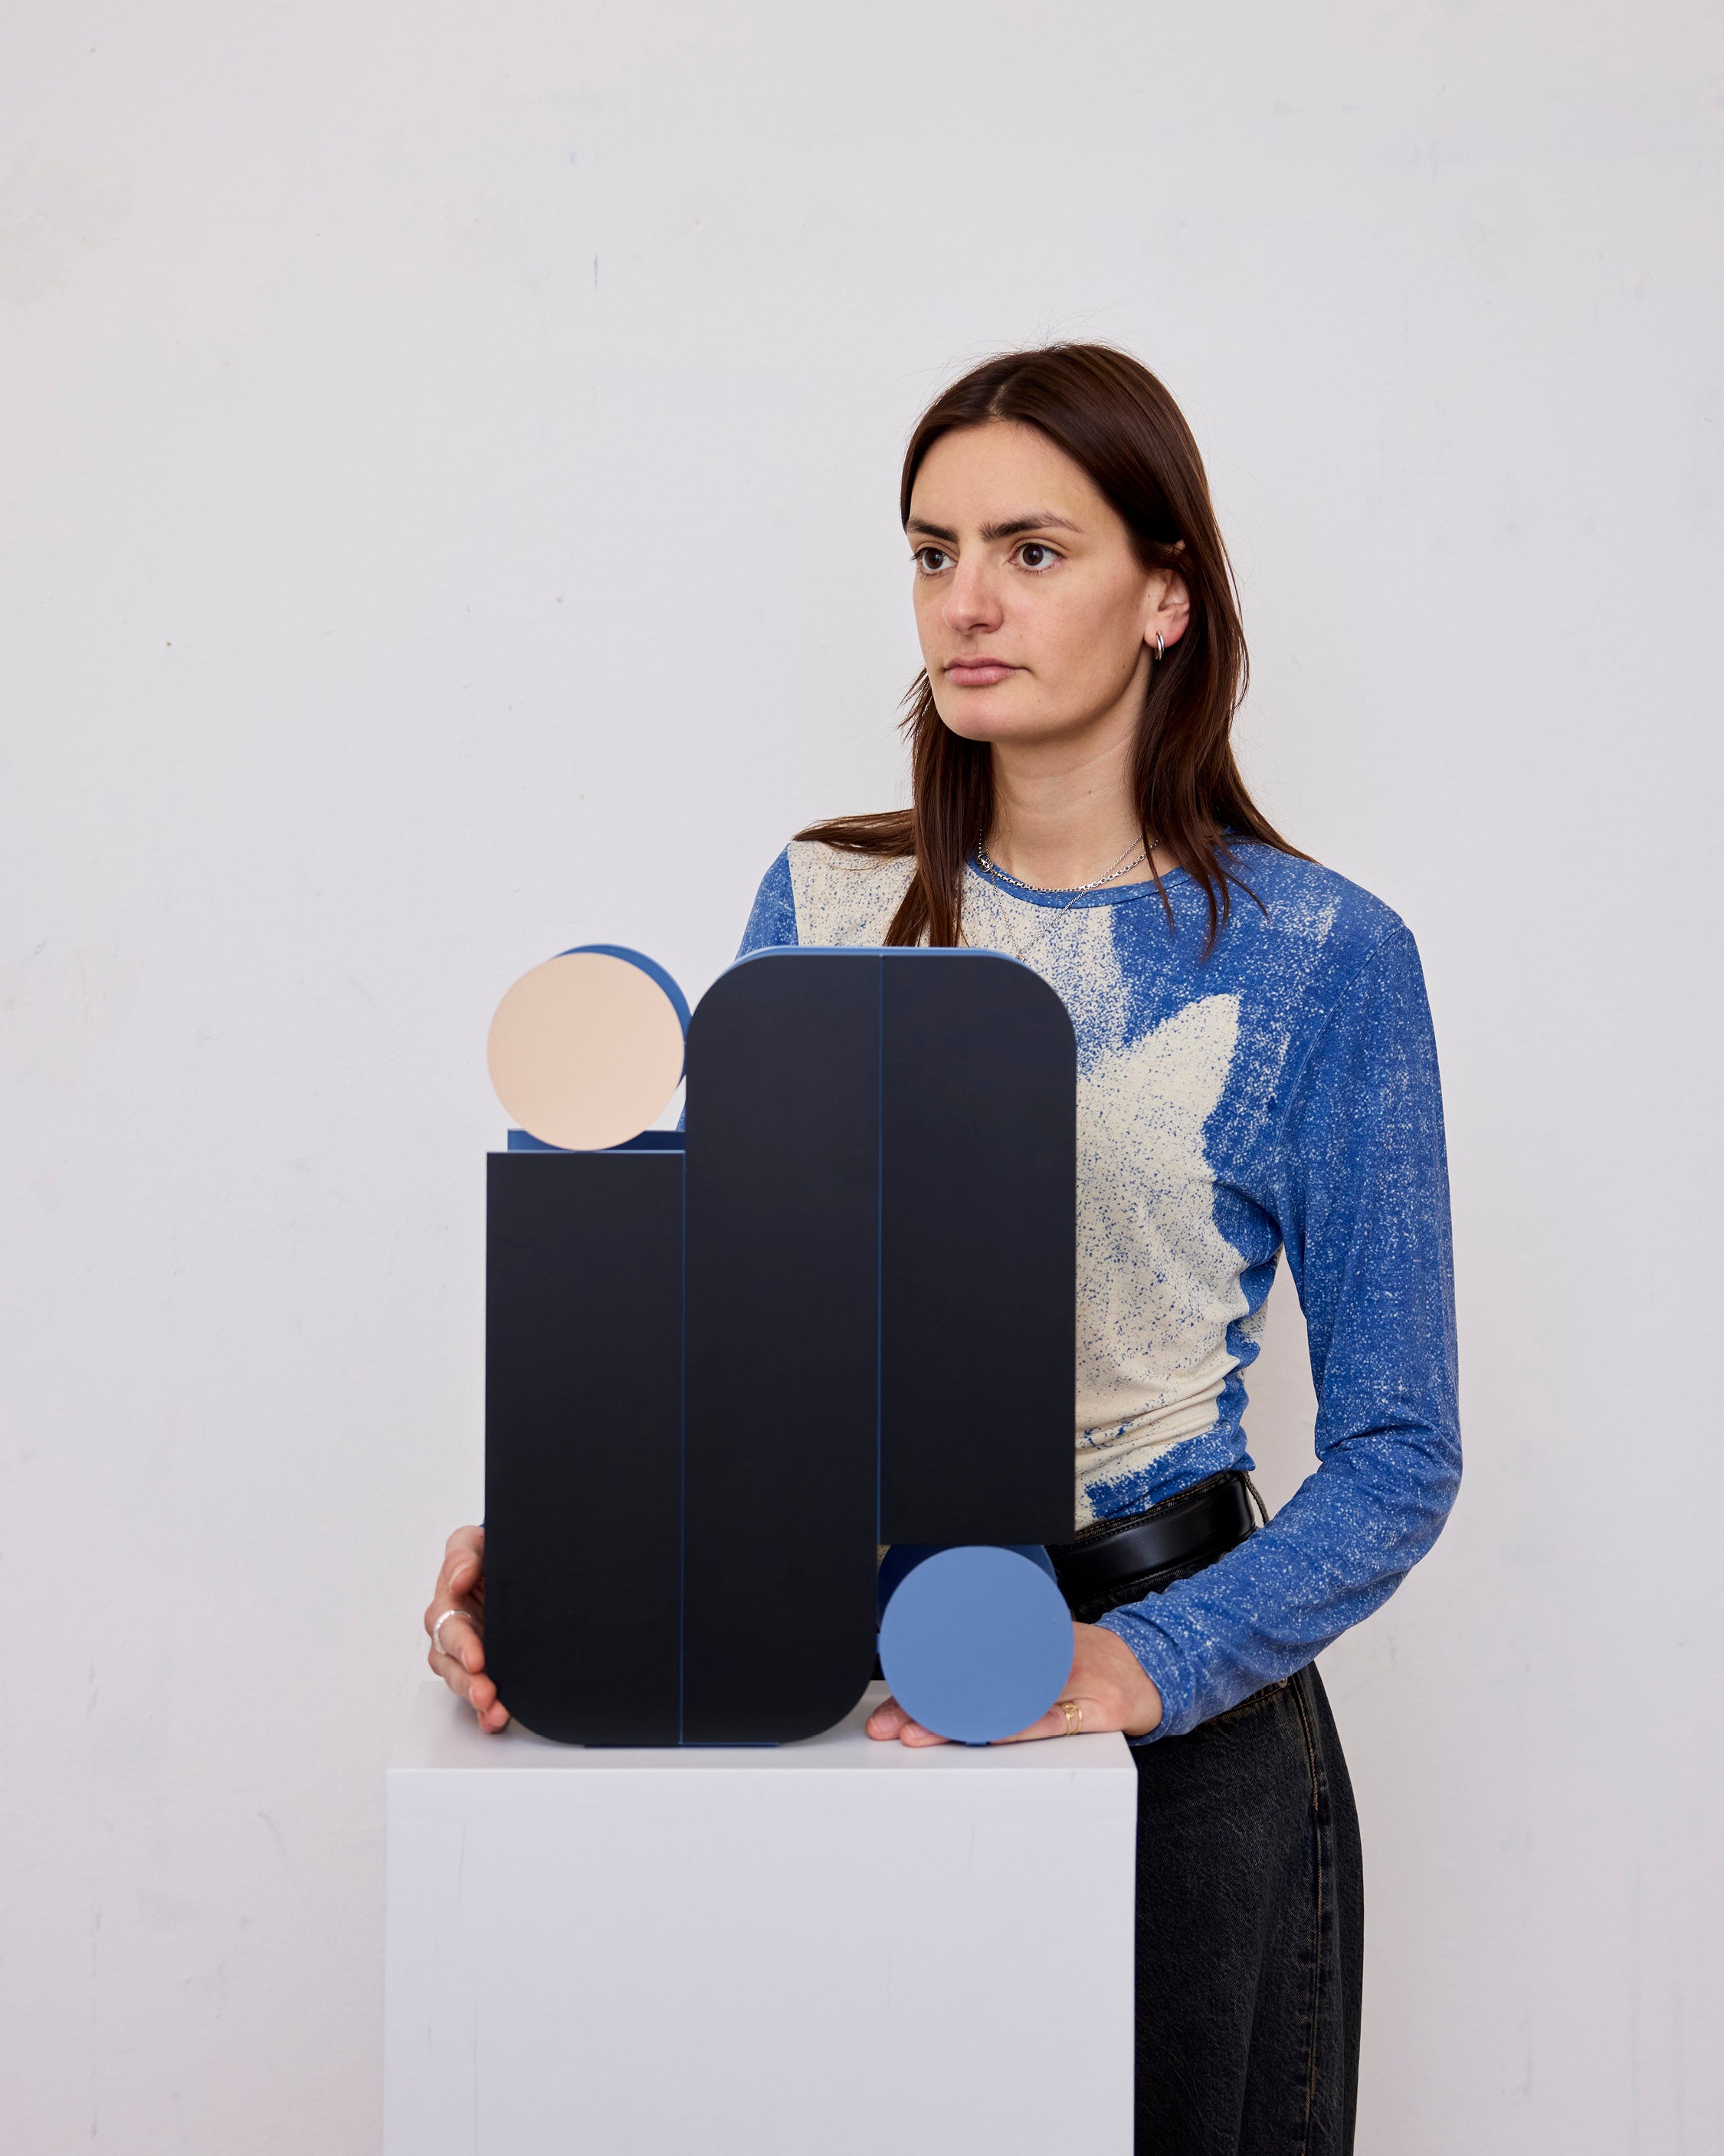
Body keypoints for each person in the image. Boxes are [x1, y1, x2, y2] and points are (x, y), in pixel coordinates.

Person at [424, 343, 1460, 2155]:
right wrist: (580, 1551)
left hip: (1182, 1732)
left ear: (1165, 596)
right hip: (853, 1676)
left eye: (1031, 551)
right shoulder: (822, 903)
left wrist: (1148, 1665)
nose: (965, 602)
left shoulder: (1320, 955)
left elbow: (1398, 1451)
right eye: (932, 551)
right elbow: (743, 1335)